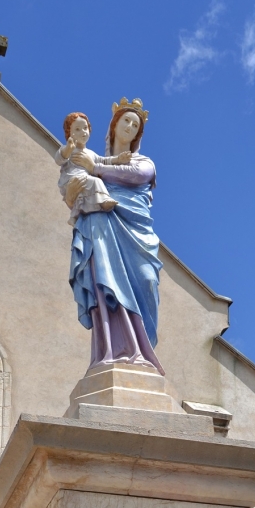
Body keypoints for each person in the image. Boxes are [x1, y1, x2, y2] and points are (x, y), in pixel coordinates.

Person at [66, 98, 164, 374]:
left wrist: (95, 169)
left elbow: (139, 174)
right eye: (126, 121)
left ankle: (142, 352)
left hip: (137, 235)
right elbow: (72, 181)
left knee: (146, 280)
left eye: (136, 125)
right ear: (114, 125)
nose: (130, 127)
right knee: (105, 286)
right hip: (101, 226)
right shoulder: (91, 158)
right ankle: (111, 353)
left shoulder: (142, 161)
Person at [55, 112, 132, 226]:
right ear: (69, 133)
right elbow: (59, 159)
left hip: (84, 178)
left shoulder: (90, 153)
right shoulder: (68, 148)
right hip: (71, 178)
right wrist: (68, 149)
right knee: (96, 181)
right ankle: (104, 200)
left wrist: (118, 159)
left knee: (84, 196)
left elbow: (103, 161)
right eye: (77, 129)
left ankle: (74, 217)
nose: (83, 132)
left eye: (85, 128)